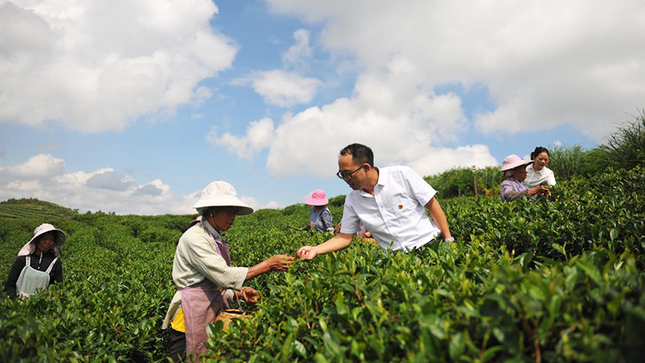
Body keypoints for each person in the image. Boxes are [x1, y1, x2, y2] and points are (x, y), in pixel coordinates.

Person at [163, 181, 294, 361]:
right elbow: (223, 277)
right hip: (189, 317)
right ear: (212, 211)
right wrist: (268, 265)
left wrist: (239, 293)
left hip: (210, 311)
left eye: (234, 213)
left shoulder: (214, 236)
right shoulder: (195, 238)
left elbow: (212, 284)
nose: (232, 217)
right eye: (228, 212)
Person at [296, 143, 454, 260]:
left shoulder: (401, 175)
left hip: (431, 246)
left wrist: (448, 239)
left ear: (365, 167)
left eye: (348, 174)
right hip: (398, 259)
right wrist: (315, 249)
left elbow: (432, 204)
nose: (345, 180)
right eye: (341, 175)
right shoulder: (352, 200)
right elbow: (344, 237)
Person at [4, 223, 66, 299]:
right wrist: (14, 301)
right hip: (18, 304)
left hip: (40, 308)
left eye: (51, 240)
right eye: (44, 239)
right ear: (37, 240)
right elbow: (10, 283)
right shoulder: (23, 258)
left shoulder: (55, 262)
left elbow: (56, 287)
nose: (47, 242)